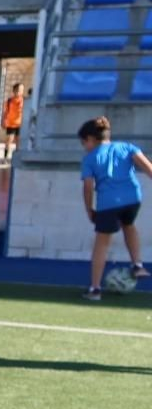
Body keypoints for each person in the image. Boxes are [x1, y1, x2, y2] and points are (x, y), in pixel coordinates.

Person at [77, 115, 152, 301]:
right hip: (133, 198)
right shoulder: (127, 147)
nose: (83, 146)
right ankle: (137, 264)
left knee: (102, 243)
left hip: (108, 203)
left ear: (92, 139)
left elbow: (88, 187)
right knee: (129, 225)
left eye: (83, 142)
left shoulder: (90, 158)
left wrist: (89, 209)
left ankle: (95, 289)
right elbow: (149, 168)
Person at [1, 83, 24, 162]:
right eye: (18, 90)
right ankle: (5, 157)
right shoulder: (9, 101)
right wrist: (3, 121)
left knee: (18, 141)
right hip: (11, 123)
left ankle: (17, 157)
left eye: (21, 90)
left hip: (20, 124)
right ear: (14, 91)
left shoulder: (24, 100)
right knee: (9, 140)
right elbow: (5, 112)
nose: (20, 92)